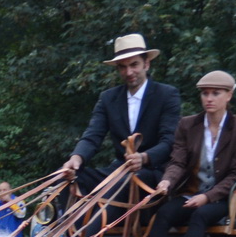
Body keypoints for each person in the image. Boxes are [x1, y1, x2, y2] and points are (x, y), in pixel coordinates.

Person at [144, 70, 236, 237]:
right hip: (190, 193)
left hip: (225, 198)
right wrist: (167, 181)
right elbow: (178, 162)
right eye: (205, 93)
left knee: (201, 214)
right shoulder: (187, 125)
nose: (209, 98)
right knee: (164, 213)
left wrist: (207, 197)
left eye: (215, 93)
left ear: (229, 95)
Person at [60, 33, 182, 194]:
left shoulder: (166, 94)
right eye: (123, 67)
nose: (129, 72)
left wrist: (144, 157)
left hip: (152, 172)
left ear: (146, 64)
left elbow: (169, 141)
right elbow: (93, 135)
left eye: (134, 65)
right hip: (119, 171)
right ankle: (64, 212)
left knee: (120, 185)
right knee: (64, 177)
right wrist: (76, 158)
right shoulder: (108, 98)